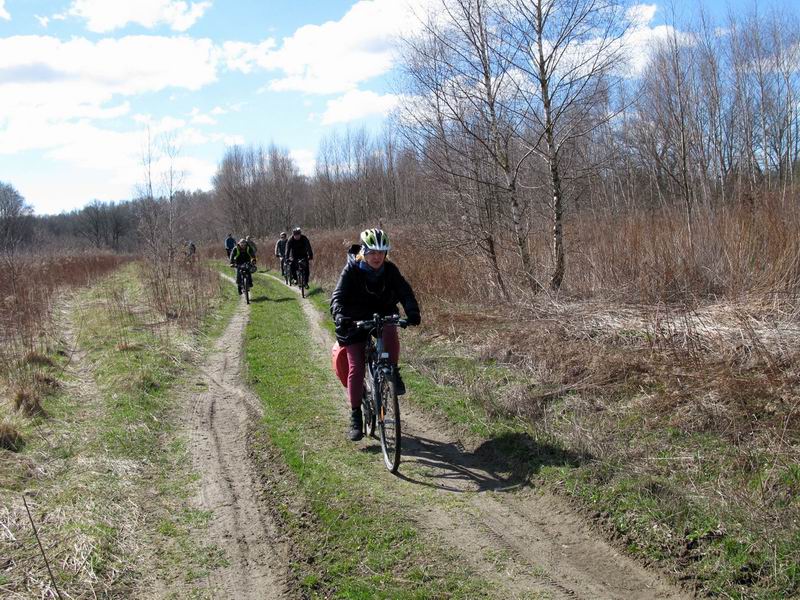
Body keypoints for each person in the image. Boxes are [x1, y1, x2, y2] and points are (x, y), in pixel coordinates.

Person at [330, 228, 421, 441]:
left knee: (390, 330)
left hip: (383, 313)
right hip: (354, 320)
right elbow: (338, 298)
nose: (377, 257)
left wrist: (413, 311)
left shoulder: (390, 270)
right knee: (356, 368)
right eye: (372, 252)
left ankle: (393, 371)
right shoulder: (351, 270)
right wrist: (341, 316)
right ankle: (355, 416)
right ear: (364, 251)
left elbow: (404, 291)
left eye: (382, 252)